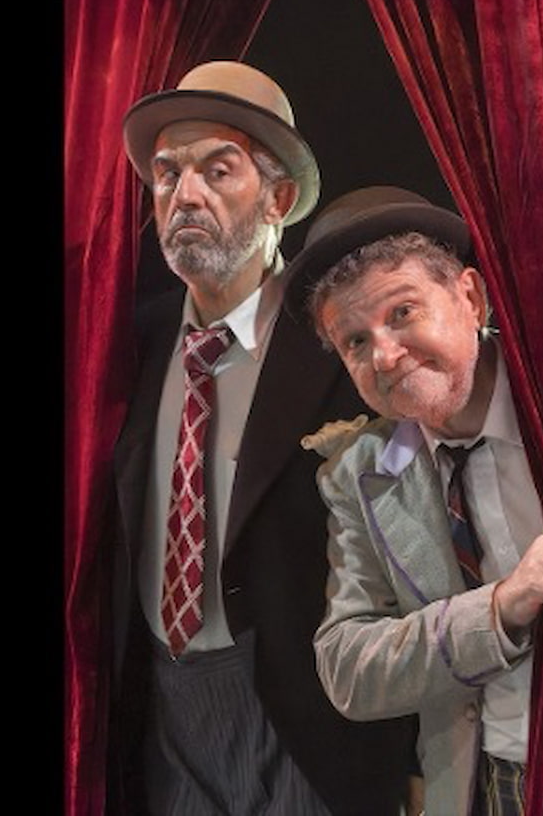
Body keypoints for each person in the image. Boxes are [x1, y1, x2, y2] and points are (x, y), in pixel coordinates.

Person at [107, 64, 416, 815]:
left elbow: (410, 562)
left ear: (278, 200)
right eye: (167, 174)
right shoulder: (130, 344)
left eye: (218, 171)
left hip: (310, 723)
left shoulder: (340, 346)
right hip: (167, 716)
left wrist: (410, 755)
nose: (185, 195)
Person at [284, 186, 543, 816]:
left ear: (471, 297)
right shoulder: (361, 473)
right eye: (355, 342)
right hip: (486, 784)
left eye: (403, 312)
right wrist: (499, 609)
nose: (385, 355)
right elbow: (346, 668)